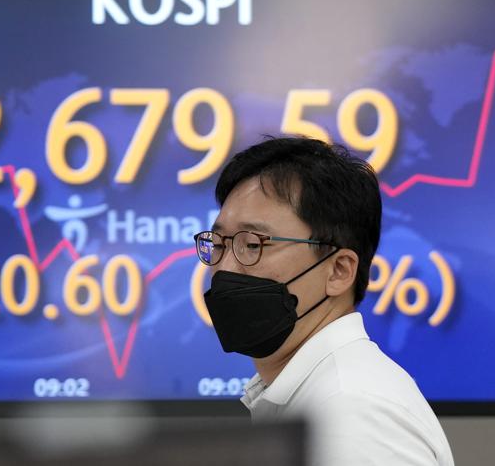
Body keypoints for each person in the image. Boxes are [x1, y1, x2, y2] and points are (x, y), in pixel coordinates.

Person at [194, 137, 454, 466]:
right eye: (219, 242)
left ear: (339, 271)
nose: (224, 267)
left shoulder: (351, 413)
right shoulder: (309, 396)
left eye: (252, 244)